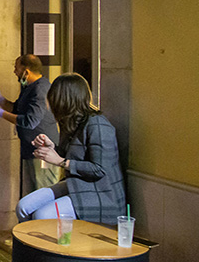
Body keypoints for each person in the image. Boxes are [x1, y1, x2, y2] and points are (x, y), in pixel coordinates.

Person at [15, 73, 125, 225]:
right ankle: (30, 248)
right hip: (77, 184)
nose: (49, 104)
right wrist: (52, 148)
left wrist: (61, 161)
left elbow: (99, 169)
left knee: (43, 215)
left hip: (100, 193)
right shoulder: (71, 122)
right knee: (23, 207)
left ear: (63, 100)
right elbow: (72, 155)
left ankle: (51, 248)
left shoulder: (98, 125)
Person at [0, 54, 61, 195]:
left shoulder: (40, 90)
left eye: (16, 68)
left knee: (42, 194)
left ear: (26, 72)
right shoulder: (29, 87)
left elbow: (30, 121)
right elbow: (16, 110)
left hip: (43, 152)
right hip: (31, 150)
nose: (14, 71)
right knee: (32, 193)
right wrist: (0, 99)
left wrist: (0, 114)